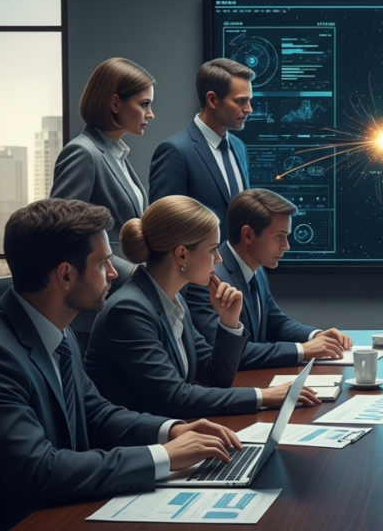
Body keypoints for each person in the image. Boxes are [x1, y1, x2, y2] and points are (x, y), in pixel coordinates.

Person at [0, 199, 241, 531]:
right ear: (66, 275)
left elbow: (96, 414)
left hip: (62, 510)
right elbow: (41, 472)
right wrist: (165, 455)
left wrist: (172, 431)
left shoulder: (58, 330)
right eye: (102, 263)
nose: (114, 272)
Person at [84, 196, 319, 418]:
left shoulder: (174, 301)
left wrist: (229, 322)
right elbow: (177, 397)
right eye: (212, 249)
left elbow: (215, 377)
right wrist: (263, 396)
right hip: (142, 442)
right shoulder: (128, 311)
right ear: (182, 255)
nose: (219, 259)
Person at [184, 189, 352, 367]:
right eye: (279, 236)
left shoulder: (256, 268)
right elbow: (226, 353)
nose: (286, 246)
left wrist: (316, 336)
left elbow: (276, 323)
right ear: (248, 235)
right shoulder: (207, 279)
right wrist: (302, 350)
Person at [50, 57, 152, 258]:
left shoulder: (117, 155)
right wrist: (127, 270)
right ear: (115, 103)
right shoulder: (83, 153)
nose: (150, 114)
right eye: (144, 104)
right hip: (109, 275)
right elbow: (61, 235)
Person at [150, 58, 253, 241]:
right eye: (241, 101)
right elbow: (163, 227)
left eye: (249, 101)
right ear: (212, 99)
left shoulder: (238, 146)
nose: (249, 109)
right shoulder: (175, 152)